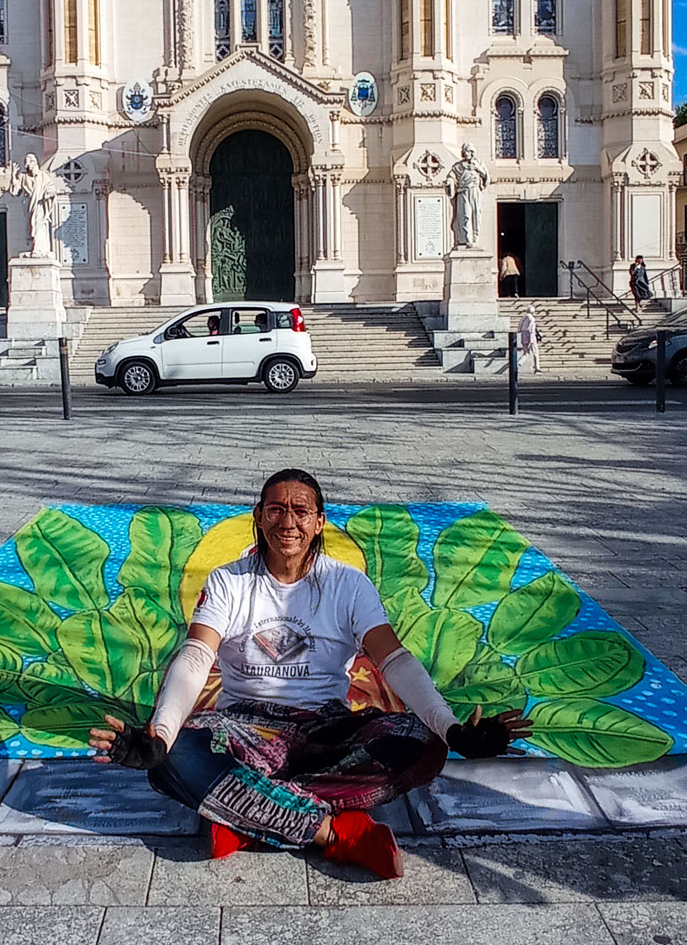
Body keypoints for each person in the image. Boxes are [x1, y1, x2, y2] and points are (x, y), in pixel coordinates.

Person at [89, 469, 531, 879]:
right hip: (244, 728)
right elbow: (195, 657)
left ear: (319, 522)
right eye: (276, 509)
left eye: (301, 511)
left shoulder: (348, 584)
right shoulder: (229, 582)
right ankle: (335, 834)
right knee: (174, 758)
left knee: (424, 743)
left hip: (328, 729)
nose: (288, 522)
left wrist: (453, 731)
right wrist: (161, 735)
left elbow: (394, 660)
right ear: (258, 517)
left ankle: (246, 814)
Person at [518, 308, 541, 373]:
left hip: (523, 336)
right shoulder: (532, 319)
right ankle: (537, 368)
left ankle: (519, 362)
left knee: (526, 353)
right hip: (531, 337)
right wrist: (531, 340)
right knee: (535, 352)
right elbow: (530, 330)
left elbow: (519, 327)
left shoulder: (523, 318)